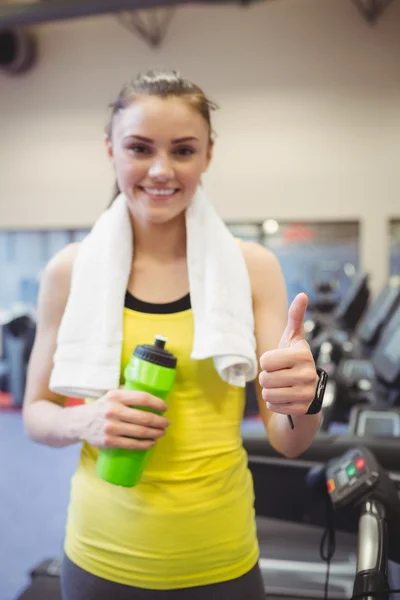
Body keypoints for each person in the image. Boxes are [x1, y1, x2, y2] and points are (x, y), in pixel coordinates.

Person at [22, 70, 322, 600]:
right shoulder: (69, 271)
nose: (161, 170)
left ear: (208, 155)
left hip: (219, 557)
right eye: (140, 148)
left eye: (183, 150)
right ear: (110, 149)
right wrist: (85, 419)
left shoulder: (252, 269)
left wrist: (307, 393)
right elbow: (36, 415)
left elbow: (290, 440)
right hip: (100, 555)